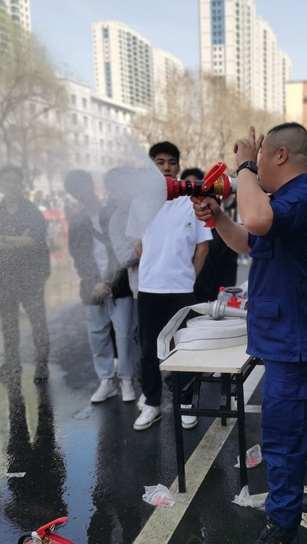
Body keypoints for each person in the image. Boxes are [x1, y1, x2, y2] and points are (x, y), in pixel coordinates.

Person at [192, 123, 307, 544]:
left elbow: (256, 221)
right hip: (292, 336)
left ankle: (282, 535)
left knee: (282, 439)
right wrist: (219, 217)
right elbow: (249, 239)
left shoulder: (304, 197)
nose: (254, 166)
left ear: (279, 155)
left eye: (259, 157)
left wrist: (242, 165)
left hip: (293, 342)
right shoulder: (288, 201)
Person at [133, 142, 212, 432]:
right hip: (150, 289)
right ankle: (152, 403)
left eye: (171, 162)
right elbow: (137, 244)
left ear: (178, 166)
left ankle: (186, 403)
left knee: (182, 347)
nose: (166, 167)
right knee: (149, 350)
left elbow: (202, 248)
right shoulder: (140, 204)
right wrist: (154, 270)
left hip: (182, 291)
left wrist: (186, 278)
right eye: (160, 162)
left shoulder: (193, 203)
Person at [65, 170, 138, 404]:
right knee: (97, 335)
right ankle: (106, 380)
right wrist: (93, 282)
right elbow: (79, 256)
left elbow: (123, 249)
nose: (80, 193)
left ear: (91, 185)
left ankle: (126, 379)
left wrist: (108, 281)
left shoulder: (113, 213)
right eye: (75, 190)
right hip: (92, 288)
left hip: (120, 284)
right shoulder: (77, 221)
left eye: (82, 187)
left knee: (125, 335)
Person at [0, 165, 51, 384]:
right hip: (3, 276)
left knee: (37, 320)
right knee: (9, 323)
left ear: (21, 183)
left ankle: (42, 363)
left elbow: (34, 240)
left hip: (31, 275)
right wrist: (18, 241)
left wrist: (4, 239)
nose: (11, 185)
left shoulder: (32, 212)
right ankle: (12, 364)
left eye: (15, 180)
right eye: (6, 180)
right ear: (0, 184)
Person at [184, 168, 239, 302]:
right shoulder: (182, 230)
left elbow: (228, 275)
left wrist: (222, 300)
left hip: (209, 301)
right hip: (181, 295)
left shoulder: (224, 237)